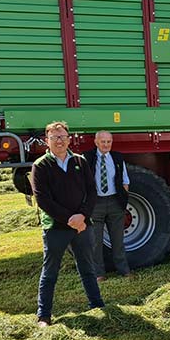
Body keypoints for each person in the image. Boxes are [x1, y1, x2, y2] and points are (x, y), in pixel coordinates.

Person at [31, 121, 104, 327]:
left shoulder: (80, 161)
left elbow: (91, 192)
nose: (59, 141)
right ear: (47, 141)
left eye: (62, 136)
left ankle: (97, 305)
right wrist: (70, 220)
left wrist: (81, 216)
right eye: (54, 137)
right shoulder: (41, 166)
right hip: (56, 228)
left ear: (69, 139)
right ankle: (43, 316)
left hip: (82, 226)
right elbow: (43, 199)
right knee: (50, 272)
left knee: (88, 268)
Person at [83, 131, 132, 281]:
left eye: (108, 142)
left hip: (114, 202)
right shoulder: (87, 157)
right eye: (103, 142)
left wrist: (122, 197)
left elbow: (125, 180)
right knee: (95, 242)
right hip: (96, 203)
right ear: (96, 142)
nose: (106, 145)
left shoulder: (117, 157)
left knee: (118, 239)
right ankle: (99, 274)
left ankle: (124, 271)